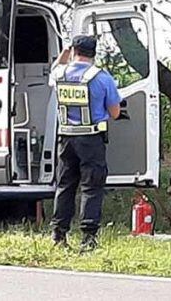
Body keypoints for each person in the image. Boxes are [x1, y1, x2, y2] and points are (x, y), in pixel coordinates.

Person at [49, 35, 122, 251]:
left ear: (73, 51)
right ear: (94, 53)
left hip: (66, 139)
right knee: (92, 186)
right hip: (91, 139)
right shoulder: (102, 78)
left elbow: (55, 69)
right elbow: (115, 112)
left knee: (65, 185)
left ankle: (58, 234)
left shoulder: (59, 74)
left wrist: (64, 53)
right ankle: (88, 238)